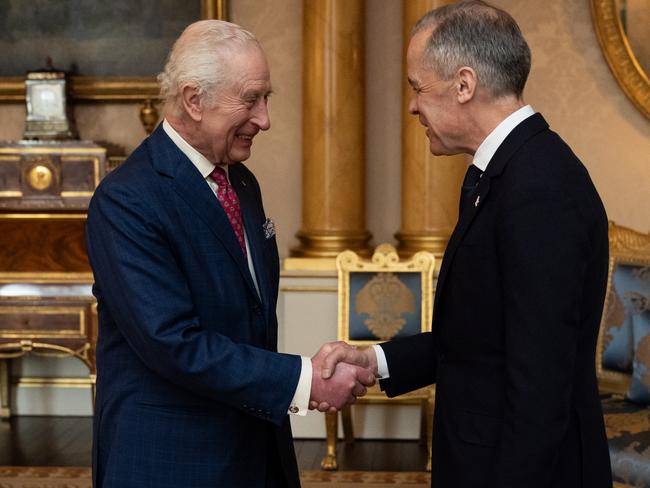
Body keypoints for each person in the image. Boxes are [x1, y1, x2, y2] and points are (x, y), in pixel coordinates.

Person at [319, 2, 612, 487]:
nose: (412, 106)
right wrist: (375, 361)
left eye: (418, 88)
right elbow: (479, 340)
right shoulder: (508, 172)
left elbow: (539, 387)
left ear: (464, 84)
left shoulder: (539, 188)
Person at [86, 20, 374, 488]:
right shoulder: (128, 200)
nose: (264, 119)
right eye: (250, 99)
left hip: (255, 450)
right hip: (171, 460)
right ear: (194, 100)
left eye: (267, 99)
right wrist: (305, 379)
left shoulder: (240, 182)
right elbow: (173, 342)